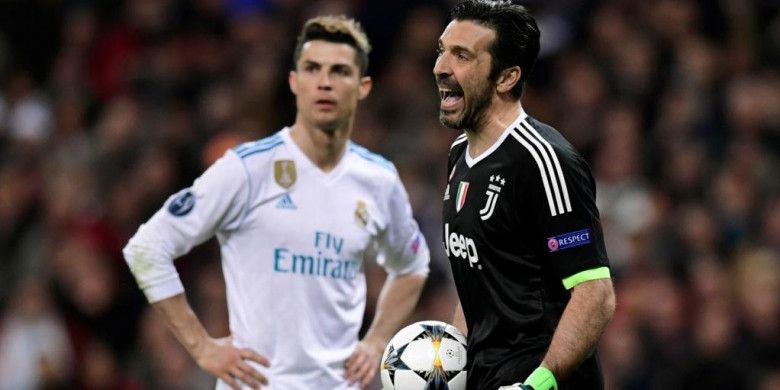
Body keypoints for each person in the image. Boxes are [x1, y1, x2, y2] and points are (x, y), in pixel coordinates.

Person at [123, 15, 430, 390]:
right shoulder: (248, 169)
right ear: (294, 82)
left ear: (363, 87)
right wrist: (201, 347)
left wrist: (378, 340)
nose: (325, 82)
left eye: (340, 71)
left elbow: (412, 265)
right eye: (312, 69)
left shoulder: (379, 180)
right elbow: (146, 248)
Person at [434, 1, 616, 389]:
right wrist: (446, 367)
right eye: (442, 50)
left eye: (462, 55)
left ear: (506, 77)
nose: (441, 67)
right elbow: (480, 286)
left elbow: (595, 293)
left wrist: (539, 383)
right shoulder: (458, 156)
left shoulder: (543, 160)